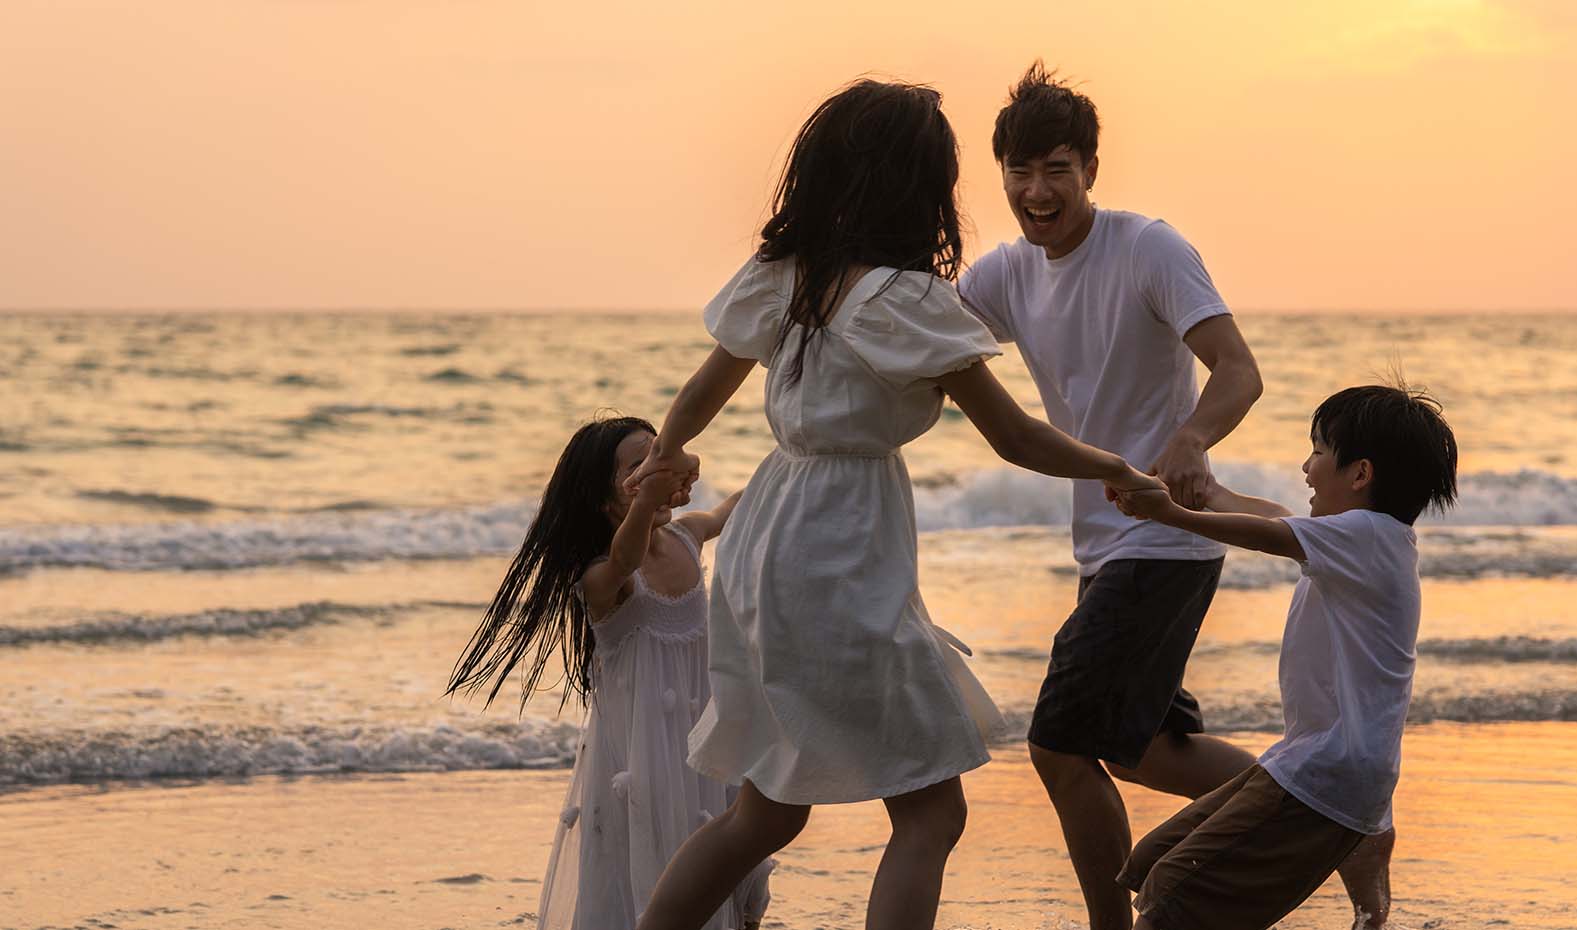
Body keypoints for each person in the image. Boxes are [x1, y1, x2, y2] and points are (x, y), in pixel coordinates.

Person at [627, 79, 1164, 930]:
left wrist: (663, 456)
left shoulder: (784, 275)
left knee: (766, 812)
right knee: (930, 813)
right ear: (920, 186)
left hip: (768, 535)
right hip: (842, 545)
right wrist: (1122, 470)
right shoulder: (906, 300)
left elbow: (702, 390)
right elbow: (1016, 438)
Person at [956, 61, 1267, 930]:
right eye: (1019, 171)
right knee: (1148, 749)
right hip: (1104, 544)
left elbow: (1239, 372)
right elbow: (919, 353)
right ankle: (1314, 804)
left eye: (1057, 167)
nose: (1036, 189)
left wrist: (1191, 436)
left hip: (1167, 537)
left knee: (1058, 744)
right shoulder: (1004, 275)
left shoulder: (1148, 248)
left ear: (1090, 168)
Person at [1110, 384, 1459, 930]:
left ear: (1360, 474)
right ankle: (1368, 877)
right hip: (1309, 761)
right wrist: (1189, 489)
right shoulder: (1361, 540)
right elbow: (1267, 514)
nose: (1306, 467)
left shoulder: (1369, 536)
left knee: (1171, 890)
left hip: (1326, 773)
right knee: (1149, 863)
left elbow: (1266, 533)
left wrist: (1169, 516)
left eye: (1318, 452)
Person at [446, 415, 772, 930]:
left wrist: (792, 459)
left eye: (658, 456)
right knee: (647, 864)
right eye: (638, 467)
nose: (655, 471)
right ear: (605, 499)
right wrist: (648, 496)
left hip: (704, 740)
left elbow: (732, 510)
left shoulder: (688, 537)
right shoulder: (601, 577)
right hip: (641, 760)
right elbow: (625, 557)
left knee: (732, 856)